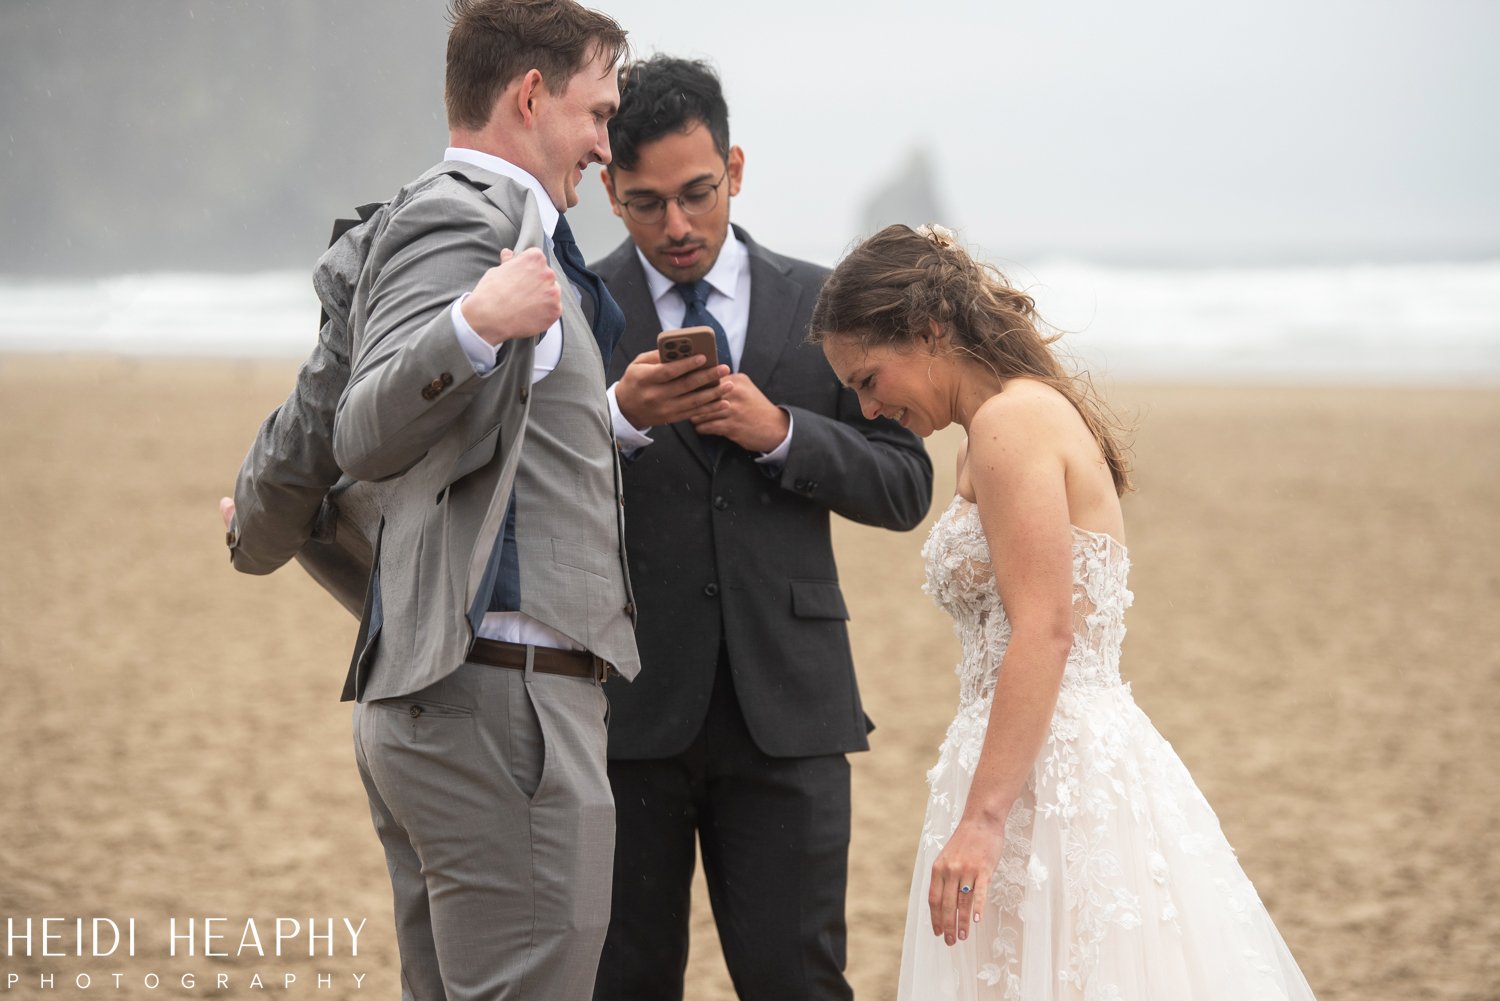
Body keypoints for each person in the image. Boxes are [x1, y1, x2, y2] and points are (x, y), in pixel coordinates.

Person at [225, 2, 640, 998]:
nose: (606, 143)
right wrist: (471, 321)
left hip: (464, 701)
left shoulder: (492, 227)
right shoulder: (465, 219)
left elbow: (397, 418)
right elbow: (365, 425)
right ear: (530, 95)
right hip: (505, 705)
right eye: (598, 111)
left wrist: (617, 418)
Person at [812, 224, 1320, 1001]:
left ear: (929, 330)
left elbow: (1045, 629)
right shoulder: (1008, 420)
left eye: (869, 377)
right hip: (1039, 753)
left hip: (1048, 774)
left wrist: (984, 819)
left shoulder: (1007, 424)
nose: (868, 406)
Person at [586, 57, 933, 1001]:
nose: (679, 225)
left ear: (735, 168)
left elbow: (907, 485)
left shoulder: (824, 307)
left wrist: (782, 434)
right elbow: (520, 482)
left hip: (792, 709)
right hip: (626, 710)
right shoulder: (579, 312)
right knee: (623, 982)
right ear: (609, 191)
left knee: (799, 982)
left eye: (698, 193)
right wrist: (616, 417)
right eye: (649, 202)